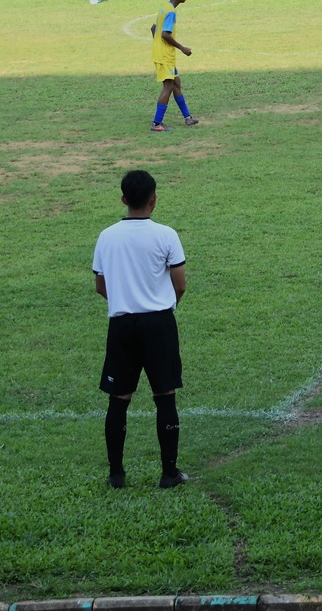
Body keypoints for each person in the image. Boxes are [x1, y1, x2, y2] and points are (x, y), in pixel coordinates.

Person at [92, 168, 190, 489]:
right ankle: (169, 473)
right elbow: (180, 285)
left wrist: (123, 298)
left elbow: (100, 285)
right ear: (154, 200)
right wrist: (165, 304)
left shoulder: (107, 236)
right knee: (165, 397)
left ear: (123, 199)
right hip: (159, 323)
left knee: (119, 399)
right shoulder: (166, 235)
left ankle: (117, 474)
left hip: (122, 325)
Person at [150, 0, 198, 131]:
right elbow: (165, 34)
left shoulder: (164, 8)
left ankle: (188, 118)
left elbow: (153, 28)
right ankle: (156, 124)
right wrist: (182, 48)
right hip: (165, 56)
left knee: (176, 83)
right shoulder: (170, 12)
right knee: (169, 86)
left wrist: (158, 46)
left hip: (163, 54)